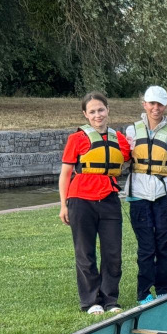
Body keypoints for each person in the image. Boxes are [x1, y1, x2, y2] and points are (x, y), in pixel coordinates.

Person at [58, 93, 131, 314]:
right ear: (85, 114)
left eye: (100, 109)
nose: (97, 115)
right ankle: (91, 301)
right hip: (80, 201)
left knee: (113, 253)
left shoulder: (119, 139)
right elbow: (65, 174)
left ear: (108, 110)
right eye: (92, 111)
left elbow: (134, 155)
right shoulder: (76, 139)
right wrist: (63, 205)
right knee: (85, 253)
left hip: (109, 200)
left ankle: (110, 300)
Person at [125, 86, 167, 305]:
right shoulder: (131, 131)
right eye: (151, 103)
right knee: (146, 247)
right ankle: (144, 293)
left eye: (160, 104)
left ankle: (163, 289)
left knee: (164, 244)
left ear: (165, 106)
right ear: (144, 104)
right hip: (138, 195)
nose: (155, 108)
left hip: (164, 195)